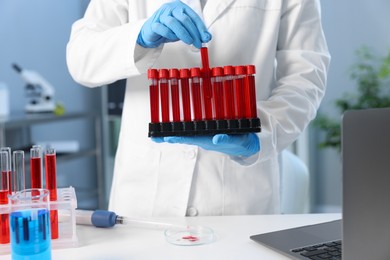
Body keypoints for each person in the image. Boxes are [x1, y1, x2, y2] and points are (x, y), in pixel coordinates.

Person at [66, 0, 330, 217]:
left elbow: (305, 75)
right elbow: (80, 57)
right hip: (144, 200)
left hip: (239, 204)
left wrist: (263, 133)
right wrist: (140, 35)